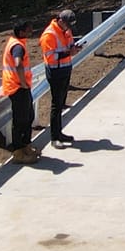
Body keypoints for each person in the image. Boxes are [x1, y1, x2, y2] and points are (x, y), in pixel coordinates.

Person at [1, 20, 40, 163]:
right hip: (17, 87)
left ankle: (26, 146)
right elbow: (18, 65)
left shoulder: (17, 43)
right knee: (21, 120)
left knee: (28, 116)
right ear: (21, 31)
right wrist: (23, 83)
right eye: (28, 30)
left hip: (19, 86)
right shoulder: (17, 46)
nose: (31, 32)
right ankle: (18, 152)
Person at [40, 8, 79, 147]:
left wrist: (74, 48)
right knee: (56, 105)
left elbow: (69, 46)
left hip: (65, 69)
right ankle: (54, 137)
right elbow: (51, 57)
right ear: (61, 20)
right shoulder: (49, 35)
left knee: (61, 103)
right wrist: (69, 52)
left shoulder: (66, 30)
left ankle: (59, 132)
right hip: (55, 72)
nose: (69, 28)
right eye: (67, 24)